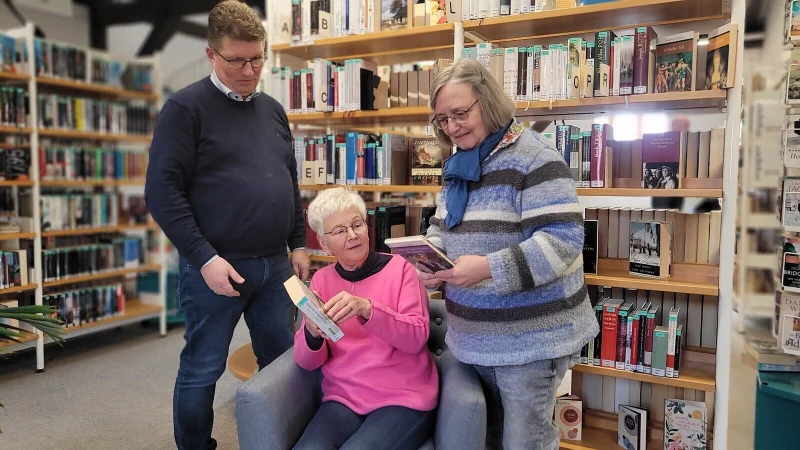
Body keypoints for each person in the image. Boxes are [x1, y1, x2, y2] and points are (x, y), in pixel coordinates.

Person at [144, 2, 310, 449]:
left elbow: (288, 184)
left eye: (257, 58)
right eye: (236, 60)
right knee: (203, 368)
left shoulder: (274, 110)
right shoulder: (184, 108)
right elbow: (162, 194)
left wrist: (298, 242)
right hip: (215, 268)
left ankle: (280, 440)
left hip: (275, 268)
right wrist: (205, 259)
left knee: (281, 363)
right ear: (211, 54)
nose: (249, 70)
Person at [418, 59, 598, 450]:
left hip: (531, 341)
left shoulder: (535, 158)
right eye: (443, 119)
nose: (452, 127)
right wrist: (429, 257)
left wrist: (486, 268)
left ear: (488, 101)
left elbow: (563, 241)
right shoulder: (458, 165)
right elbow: (444, 224)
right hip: (473, 337)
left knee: (524, 443)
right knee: (489, 440)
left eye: (461, 114)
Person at [292, 187, 438, 449]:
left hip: (403, 398)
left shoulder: (401, 269)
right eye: (339, 231)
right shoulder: (322, 280)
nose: (352, 235)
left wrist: (367, 309)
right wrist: (312, 334)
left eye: (356, 224)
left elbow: (416, 338)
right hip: (344, 399)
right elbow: (306, 361)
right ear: (323, 244)